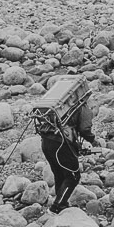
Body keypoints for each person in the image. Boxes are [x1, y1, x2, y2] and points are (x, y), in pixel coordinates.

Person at [37, 77, 94, 212]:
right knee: (73, 176)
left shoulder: (60, 108)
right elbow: (85, 129)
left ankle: (62, 203)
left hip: (46, 142)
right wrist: (92, 141)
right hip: (61, 143)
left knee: (60, 175)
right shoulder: (82, 107)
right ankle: (57, 207)